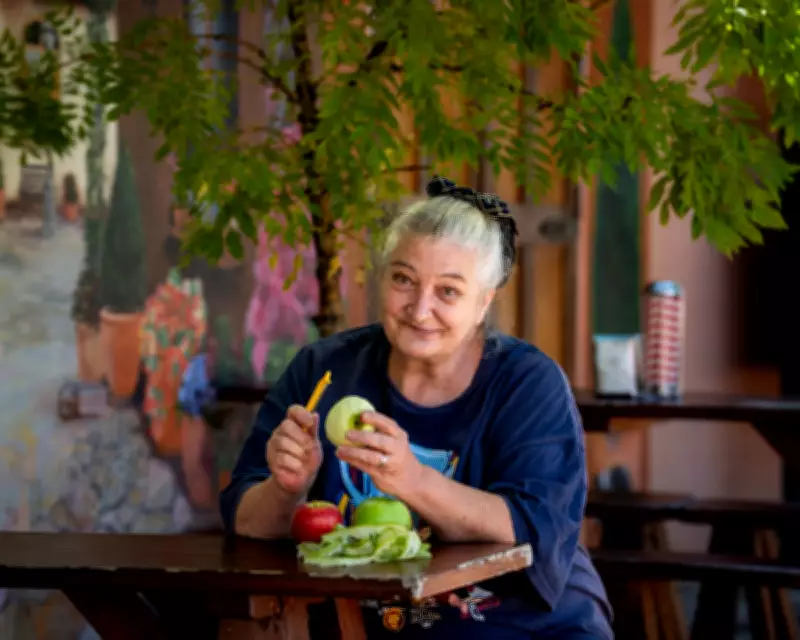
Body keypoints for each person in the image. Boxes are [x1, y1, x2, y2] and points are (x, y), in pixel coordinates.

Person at [220, 176, 613, 639]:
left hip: (520, 621)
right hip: (369, 622)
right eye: (404, 279)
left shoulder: (526, 383)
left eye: (448, 291)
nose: (420, 308)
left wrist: (413, 479)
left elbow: (531, 525)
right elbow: (245, 519)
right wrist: (286, 490)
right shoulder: (323, 372)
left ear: (483, 302)